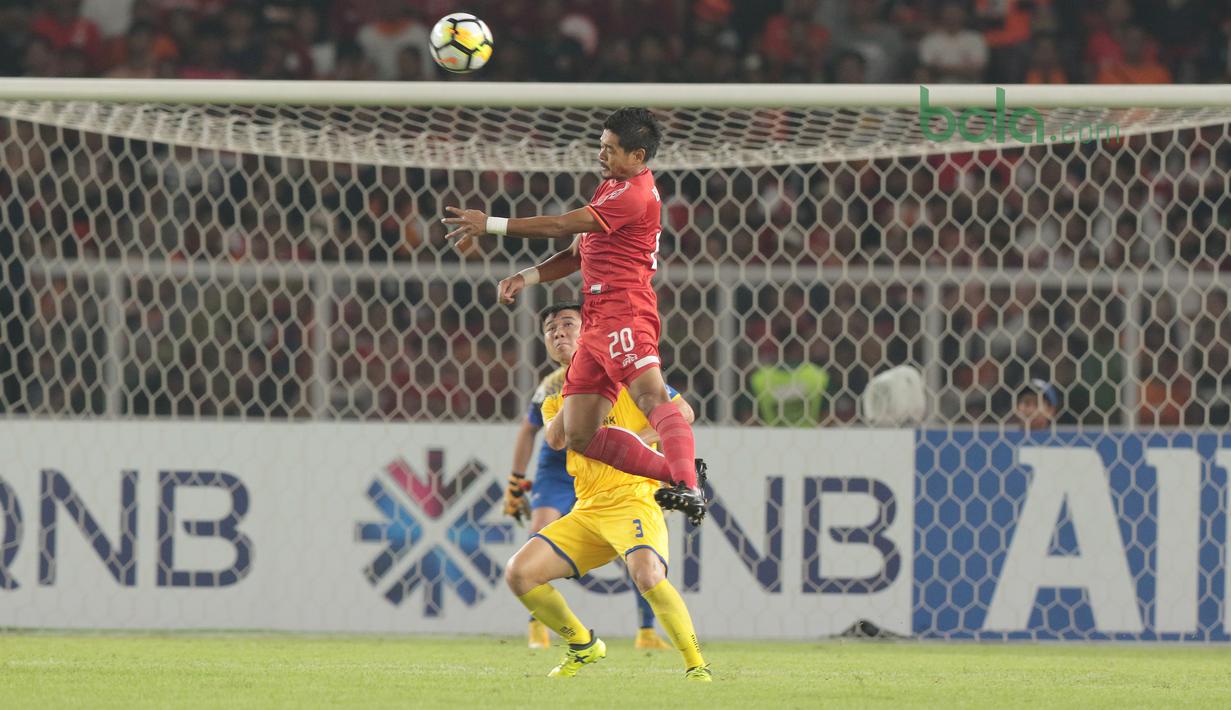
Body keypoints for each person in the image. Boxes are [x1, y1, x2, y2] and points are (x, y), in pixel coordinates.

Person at [442, 107, 706, 526]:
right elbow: (574, 253)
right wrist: (526, 277)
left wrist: (489, 224)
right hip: (597, 318)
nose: (600, 154)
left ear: (638, 156)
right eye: (600, 145)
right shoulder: (611, 188)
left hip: (625, 309)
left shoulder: (634, 195)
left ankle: (688, 481)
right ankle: (672, 475)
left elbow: (560, 226)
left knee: (651, 397)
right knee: (577, 435)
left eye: (610, 149)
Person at [498, 319, 710, 680]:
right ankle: (583, 645)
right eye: (551, 330)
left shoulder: (633, 382)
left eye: (568, 325)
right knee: (519, 573)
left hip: (633, 500)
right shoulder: (554, 397)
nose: (559, 333)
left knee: (647, 574)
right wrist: (576, 381)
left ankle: (696, 665)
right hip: (588, 509)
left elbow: (684, 413)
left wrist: (638, 438)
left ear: (591, 334)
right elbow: (555, 439)